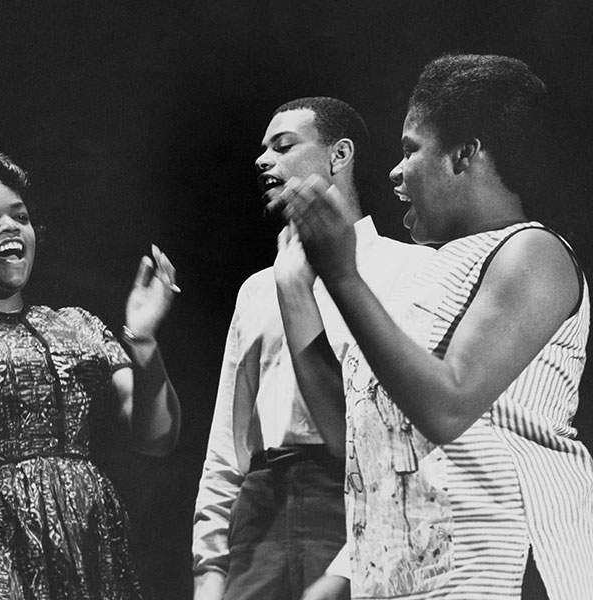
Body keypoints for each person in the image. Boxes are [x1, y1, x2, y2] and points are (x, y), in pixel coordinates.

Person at [282, 54, 593, 600]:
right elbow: (350, 437)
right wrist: (295, 290)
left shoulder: (531, 252)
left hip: (503, 571)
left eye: (410, 149)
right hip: (415, 580)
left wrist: (343, 274)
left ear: (464, 154)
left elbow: (447, 406)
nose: (395, 172)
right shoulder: (422, 276)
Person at [0, 150, 182, 599]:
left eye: (19, 216)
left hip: (88, 538)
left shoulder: (78, 323)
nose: (9, 226)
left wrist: (143, 342)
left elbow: (156, 438)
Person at [191, 97, 434, 600]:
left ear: (338, 155)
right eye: (262, 151)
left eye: (283, 146)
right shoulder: (257, 290)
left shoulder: (410, 272)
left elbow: (407, 437)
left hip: (358, 502)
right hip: (261, 516)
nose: (262, 161)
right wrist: (209, 573)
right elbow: (226, 446)